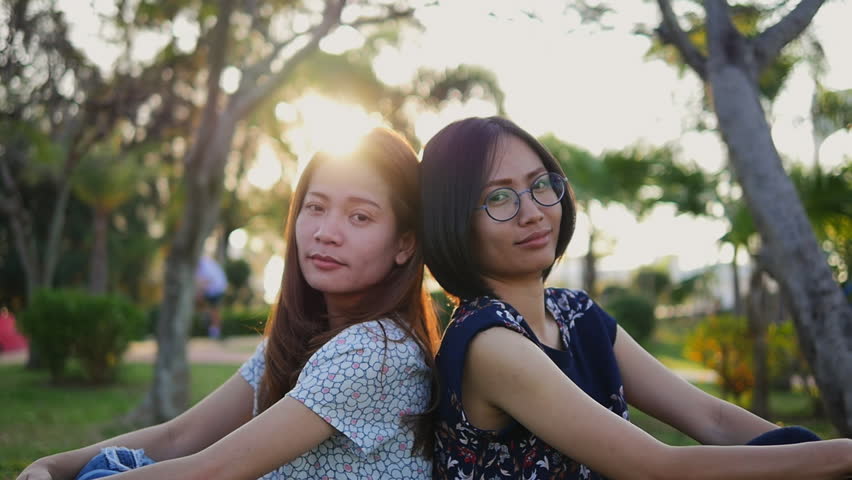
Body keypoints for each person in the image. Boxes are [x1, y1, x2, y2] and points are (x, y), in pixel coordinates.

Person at [419, 116, 852, 480]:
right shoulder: (488, 344)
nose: (532, 211)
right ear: (454, 222)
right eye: (498, 197)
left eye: (540, 185)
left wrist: (823, 453)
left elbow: (711, 420)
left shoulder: (574, 314)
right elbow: (656, 468)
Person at [17, 128, 440, 480]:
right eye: (315, 207)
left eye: (359, 216)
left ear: (405, 243)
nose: (326, 232)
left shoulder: (378, 352)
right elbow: (181, 437)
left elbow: (210, 471)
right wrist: (52, 464)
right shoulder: (303, 337)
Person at [195, 255, 228, 339]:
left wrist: (199, 290)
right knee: (212, 310)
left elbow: (208, 280)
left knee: (214, 311)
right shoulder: (202, 263)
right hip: (214, 289)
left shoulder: (204, 264)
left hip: (216, 289)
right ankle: (211, 328)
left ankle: (214, 332)